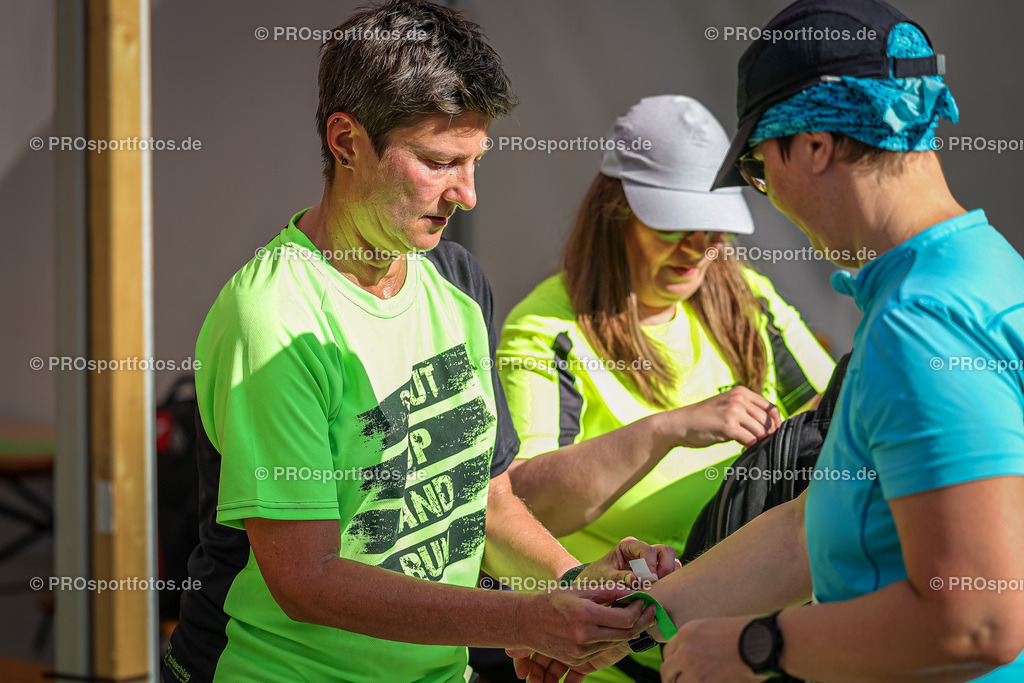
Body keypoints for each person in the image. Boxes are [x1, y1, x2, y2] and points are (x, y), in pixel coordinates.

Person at [160, 2, 677, 682]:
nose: (466, 193)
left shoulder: (458, 280)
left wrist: (574, 583)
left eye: (474, 161)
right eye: (438, 162)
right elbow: (305, 579)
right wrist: (525, 620)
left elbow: (485, 500)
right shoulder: (274, 316)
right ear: (345, 141)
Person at [509, 1, 1024, 682]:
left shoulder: (917, 321)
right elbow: (811, 526)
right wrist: (636, 623)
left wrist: (756, 644)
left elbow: (980, 619)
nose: (765, 196)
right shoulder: (986, 266)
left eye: (755, 167)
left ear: (813, 144)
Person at [497, 94, 835, 681]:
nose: (698, 251)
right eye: (674, 227)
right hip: (611, 661)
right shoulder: (549, 328)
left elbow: (837, 418)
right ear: (615, 211)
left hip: (741, 646)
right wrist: (670, 429)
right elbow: (521, 505)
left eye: (716, 231)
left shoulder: (747, 298)